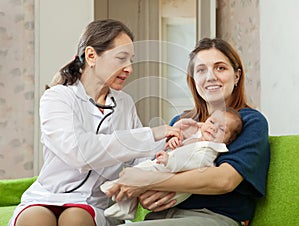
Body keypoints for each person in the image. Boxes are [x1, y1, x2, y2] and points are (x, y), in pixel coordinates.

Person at [9, 19, 182, 226]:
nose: (129, 69)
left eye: (131, 61)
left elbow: (137, 159)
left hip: (92, 203)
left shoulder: (124, 103)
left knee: (75, 218)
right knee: (34, 220)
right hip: (47, 196)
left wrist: (170, 144)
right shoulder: (57, 97)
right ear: (91, 56)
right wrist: (153, 133)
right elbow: (79, 153)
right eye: (121, 59)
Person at [106, 37, 270, 226]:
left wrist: (148, 181)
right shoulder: (181, 123)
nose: (211, 77)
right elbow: (161, 166)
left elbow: (224, 180)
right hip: (161, 217)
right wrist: (146, 194)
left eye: (220, 68)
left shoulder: (250, 121)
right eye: (201, 70)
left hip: (212, 218)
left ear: (237, 76)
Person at [101, 108, 243, 220]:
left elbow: (195, 163)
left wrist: (170, 161)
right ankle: (124, 205)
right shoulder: (194, 134)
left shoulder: (211, 149)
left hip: (178, 186)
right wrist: (172, 143)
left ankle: (111, 190)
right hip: (168, 178)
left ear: (228, 140)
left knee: (141, 171)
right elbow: (173, 150)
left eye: (222, 129)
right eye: (212, 122)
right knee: (139, 172)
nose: (213, 128)